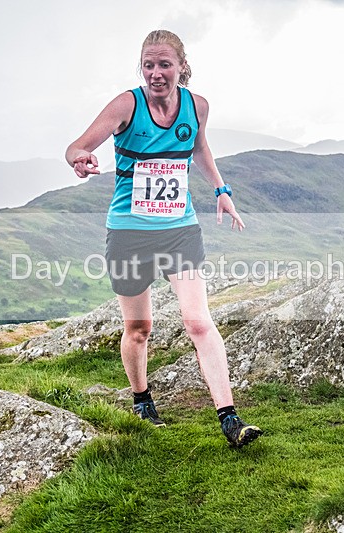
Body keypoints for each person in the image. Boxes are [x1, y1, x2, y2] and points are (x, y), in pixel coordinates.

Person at [65, 30, 262, 448]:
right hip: (129, 232)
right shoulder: (126, 105)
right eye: (149, 65)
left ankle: (229, 418)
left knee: (197, 321)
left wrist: (221, 191)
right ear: (142, 68)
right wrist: (80, 158)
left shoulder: (197, 106)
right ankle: (141, 400)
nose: (156, 74)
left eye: (165, 65)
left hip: (179, 229)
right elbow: (77, 145)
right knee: (139, 328)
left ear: (181, 67)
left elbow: (199, 149)